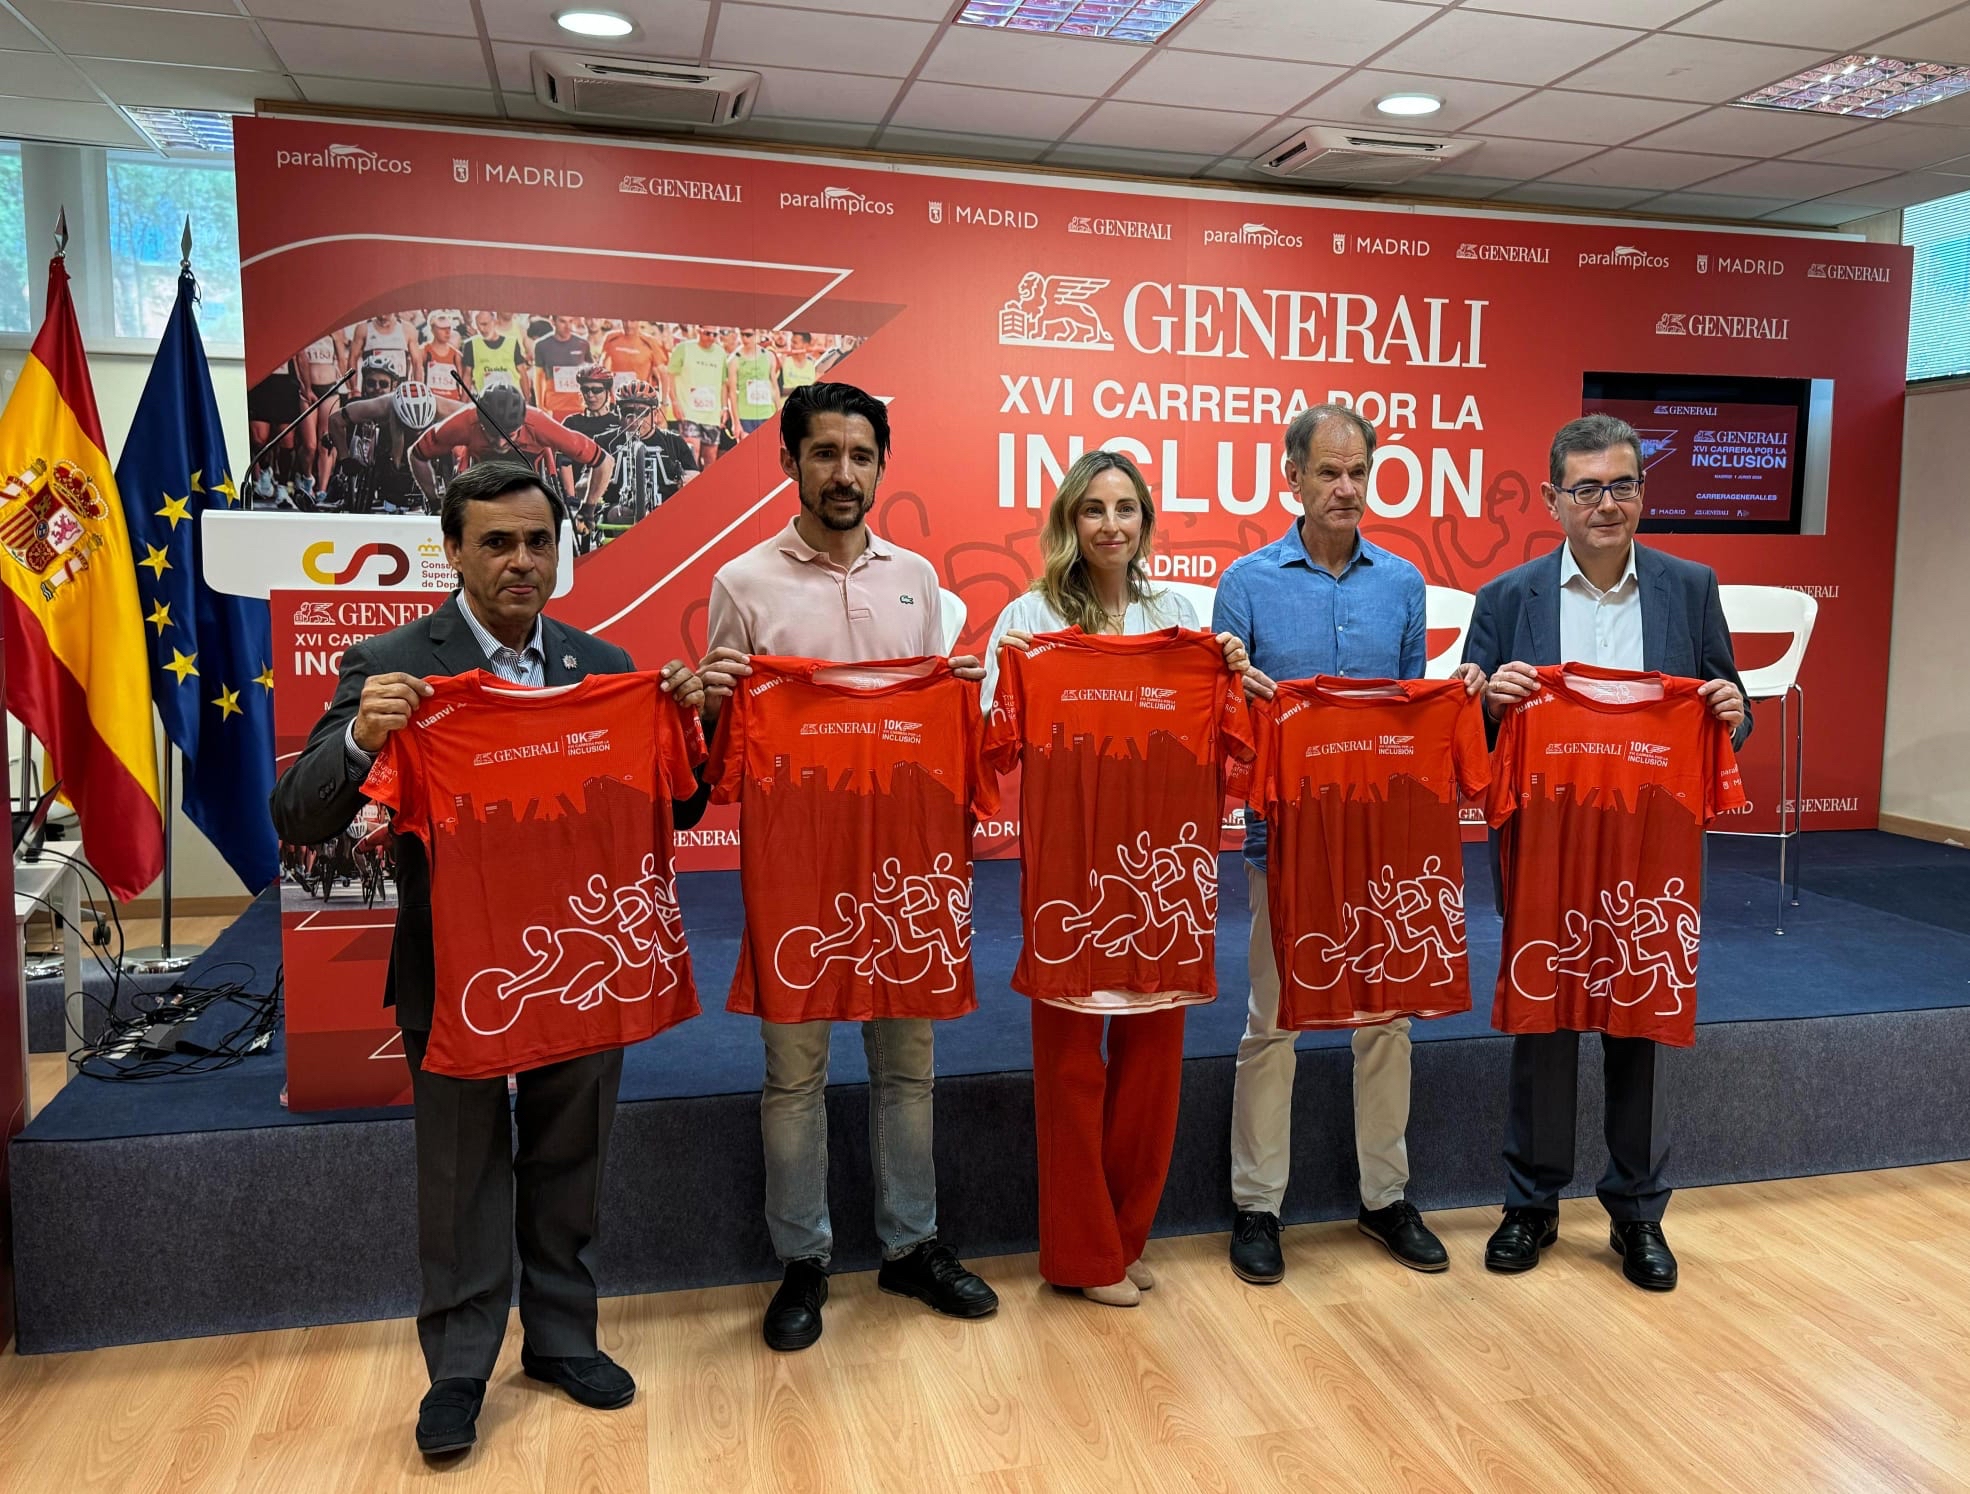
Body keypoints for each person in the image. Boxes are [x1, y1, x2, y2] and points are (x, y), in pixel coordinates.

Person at [270, 460, 710, 1458]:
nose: (521, 561)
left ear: (560, 552)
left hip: (585, 958)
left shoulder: (601, 665)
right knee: (461, 1171)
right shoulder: (392, 662)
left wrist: (690, 719)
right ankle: (460, 1368)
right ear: (454, 552)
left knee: (571, 1156)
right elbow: (298, 814)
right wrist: (360, 738)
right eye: (498, 542)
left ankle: (560, 1339)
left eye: (538, 542)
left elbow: (676, 808)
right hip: (456, 969)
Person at [698, 380, 998, 1352]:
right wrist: (712, 700)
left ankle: (911, 1246)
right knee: (795, 1074)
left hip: (904, 858)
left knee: (908, 1064)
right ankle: (803, 1261)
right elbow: (723, 740)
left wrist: (952, 693)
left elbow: (928, 721)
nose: (843, 472)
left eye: (860, 455)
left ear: (880, 466)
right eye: (824, 453)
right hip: (796, 860)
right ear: (789, 462)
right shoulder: (743, 583)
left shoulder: (918, 580)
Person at [1462, 412, 1749, 1293]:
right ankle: (1531, 1203)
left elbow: (1727, 702)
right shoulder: (1506, 599)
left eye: (1622, 484)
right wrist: (1492, 704)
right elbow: (1469, 731)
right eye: (1586, 488)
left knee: (1641, 1021)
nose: (1606, 504)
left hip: (1649, 841)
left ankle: (1638, 1212)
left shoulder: (1689, 588)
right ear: (1553, 500)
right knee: (1543, 1023)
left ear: (1643, 494)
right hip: (1545, 841)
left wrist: (1733, 710)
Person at [1215, 404, 1486, 1286]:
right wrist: (1246, 699)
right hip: (1286, 835)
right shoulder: (1245, 584)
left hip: (1381, 839)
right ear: (1291, 477)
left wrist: (1455, 696)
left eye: (1359, 472)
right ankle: (1258, 1206)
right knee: (1272, 1021)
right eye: (1328, 472)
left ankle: (1385, 1197)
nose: (1345, 489)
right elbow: (1226, 722)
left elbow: (1408, 716)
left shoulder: (1401, 585)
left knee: (1387, 1018)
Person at [980, 449, 1249, 1308]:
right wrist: (1006, 672)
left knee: (1152, 1074)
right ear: (1070, 521)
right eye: (1093, 509)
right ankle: (1081, 1254)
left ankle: (1123, 1240)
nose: (1110, 525)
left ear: (1145, 521)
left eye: (1125, 508)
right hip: (1071, 873)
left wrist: (1226, 669)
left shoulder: (1180, 617)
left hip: (1166, 871)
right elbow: (994, 737)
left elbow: (1228, 728)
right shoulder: (1027, 617)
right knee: (1068, 1075)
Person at [409, 384, 614, 515]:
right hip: (483, 486)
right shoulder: (465, 422)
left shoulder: (539, 424)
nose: (500, 443)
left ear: (522, 423)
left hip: (530, 487)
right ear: (480, 424)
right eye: (493, 435)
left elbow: (604, 461)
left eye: (509, 435)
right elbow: (417, 455)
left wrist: (588, 508)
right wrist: (434, 502)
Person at [668, 324, 730, 469]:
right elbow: (670, 377)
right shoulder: (683, 348)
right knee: (692, 453)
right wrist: (675, 402)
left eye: (715, 334)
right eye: (707, 333)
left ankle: (709, 484)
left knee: (710, 457)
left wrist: (724, 408)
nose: (711, 338)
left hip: (711, 414)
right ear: (698, 330)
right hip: (689, 412)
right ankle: (692, 483)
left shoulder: (720, 353)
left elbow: (723, 384)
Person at [533, 313, 591, 421]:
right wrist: (540, 405)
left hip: (579, 407)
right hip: (554, 408)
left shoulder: (583, 343)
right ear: (553, 321)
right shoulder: (541, 345)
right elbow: (539, 376)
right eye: (563, 321)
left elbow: (591, 374)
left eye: (570, 321)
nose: (567, 326)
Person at [727, 328, 782, 434]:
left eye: (748, 335)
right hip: (745, 415)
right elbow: (732, 393)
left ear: (757, 333)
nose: (745, 339)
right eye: (742, 334)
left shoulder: (769, 356)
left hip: (767, 413)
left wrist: (779, 411)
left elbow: (774, 386)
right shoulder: (734, 359)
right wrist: (735, 422)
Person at [461, 310, 529, 395]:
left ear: (494, 322)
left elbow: (522, 373)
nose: (482, 329)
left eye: (485, 324)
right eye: (478, 325)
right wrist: (463, 400)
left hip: (511, 397)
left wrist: (527, 399)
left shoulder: (512, 343)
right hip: (485, 398)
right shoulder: (470, 345)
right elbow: (467, 376)